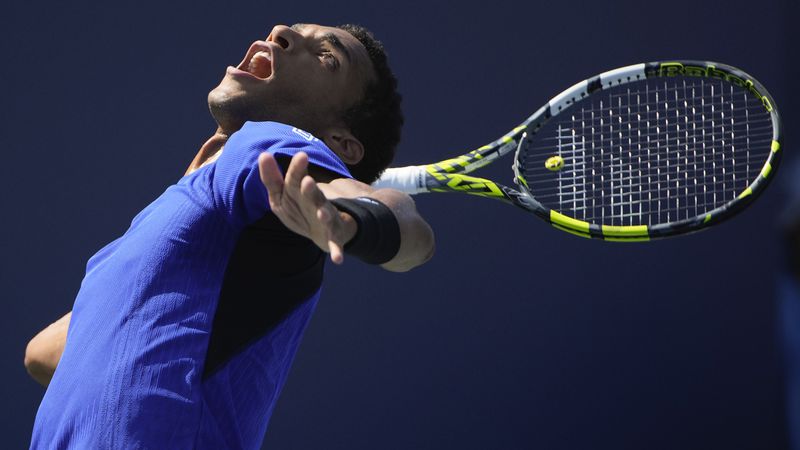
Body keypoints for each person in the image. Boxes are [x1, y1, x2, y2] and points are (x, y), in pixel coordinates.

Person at [25, 23, 434, 449]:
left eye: (327, 57)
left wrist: (349, 219)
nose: (280, 32)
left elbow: (409, 230)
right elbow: (42, 355)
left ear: (339, 144)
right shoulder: (150, 237)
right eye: (291, 30)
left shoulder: (265, 143)